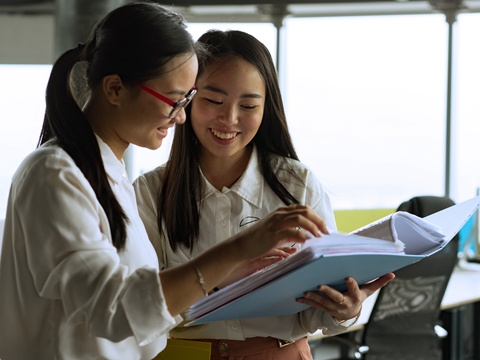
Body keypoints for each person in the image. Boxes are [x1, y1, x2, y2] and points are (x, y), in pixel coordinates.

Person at [0, 5, 330, 360]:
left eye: (187, 99)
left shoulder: (109, 175)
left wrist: (230, 275)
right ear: (115, 88)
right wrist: (238, 248)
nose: (183, 116)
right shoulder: (56, 173)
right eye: (176, 100)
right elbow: (113, 311)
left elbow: (144, 307)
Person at [134, 29, 395, 359]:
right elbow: (138, 310)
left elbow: (315, 312)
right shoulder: (149, 192)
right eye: (213, 101)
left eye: (248, 105)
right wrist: (215, 280)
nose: (229, 119)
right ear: (186, 99)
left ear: (266, 108)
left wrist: (345, 309)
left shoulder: (297, 185)